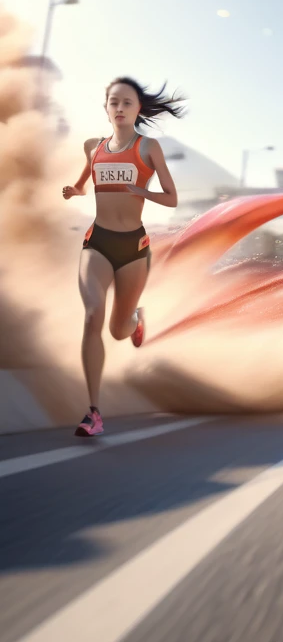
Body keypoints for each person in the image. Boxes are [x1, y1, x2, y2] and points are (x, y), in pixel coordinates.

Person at [62, 77, 184, 436]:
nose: (119, 108)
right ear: (106, 107)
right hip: (97, 242)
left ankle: (135, 318)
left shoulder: (150, 148)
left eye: (127, 102)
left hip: (133, 248)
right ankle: (94, 413)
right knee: (92, 315)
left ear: (138, 109)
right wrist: (75, 190)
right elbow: (85, 182)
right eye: (113, 102)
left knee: (118, 331)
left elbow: (172, 198)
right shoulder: (93, 146)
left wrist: (139, 189)